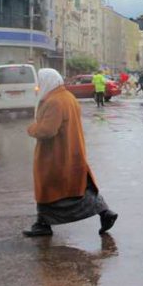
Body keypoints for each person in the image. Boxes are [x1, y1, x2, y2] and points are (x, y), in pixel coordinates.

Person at [23, 68, 118, 237]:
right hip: (71, 151)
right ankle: (104, 212)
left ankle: (43, 224)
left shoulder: (54, 101)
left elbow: (47, 131)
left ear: (47, 82)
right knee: (80, 187)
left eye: (40, 82)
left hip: (55, 156)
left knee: (49, 188)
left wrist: (31, 129)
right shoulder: (67, 97)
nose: (38, 86)